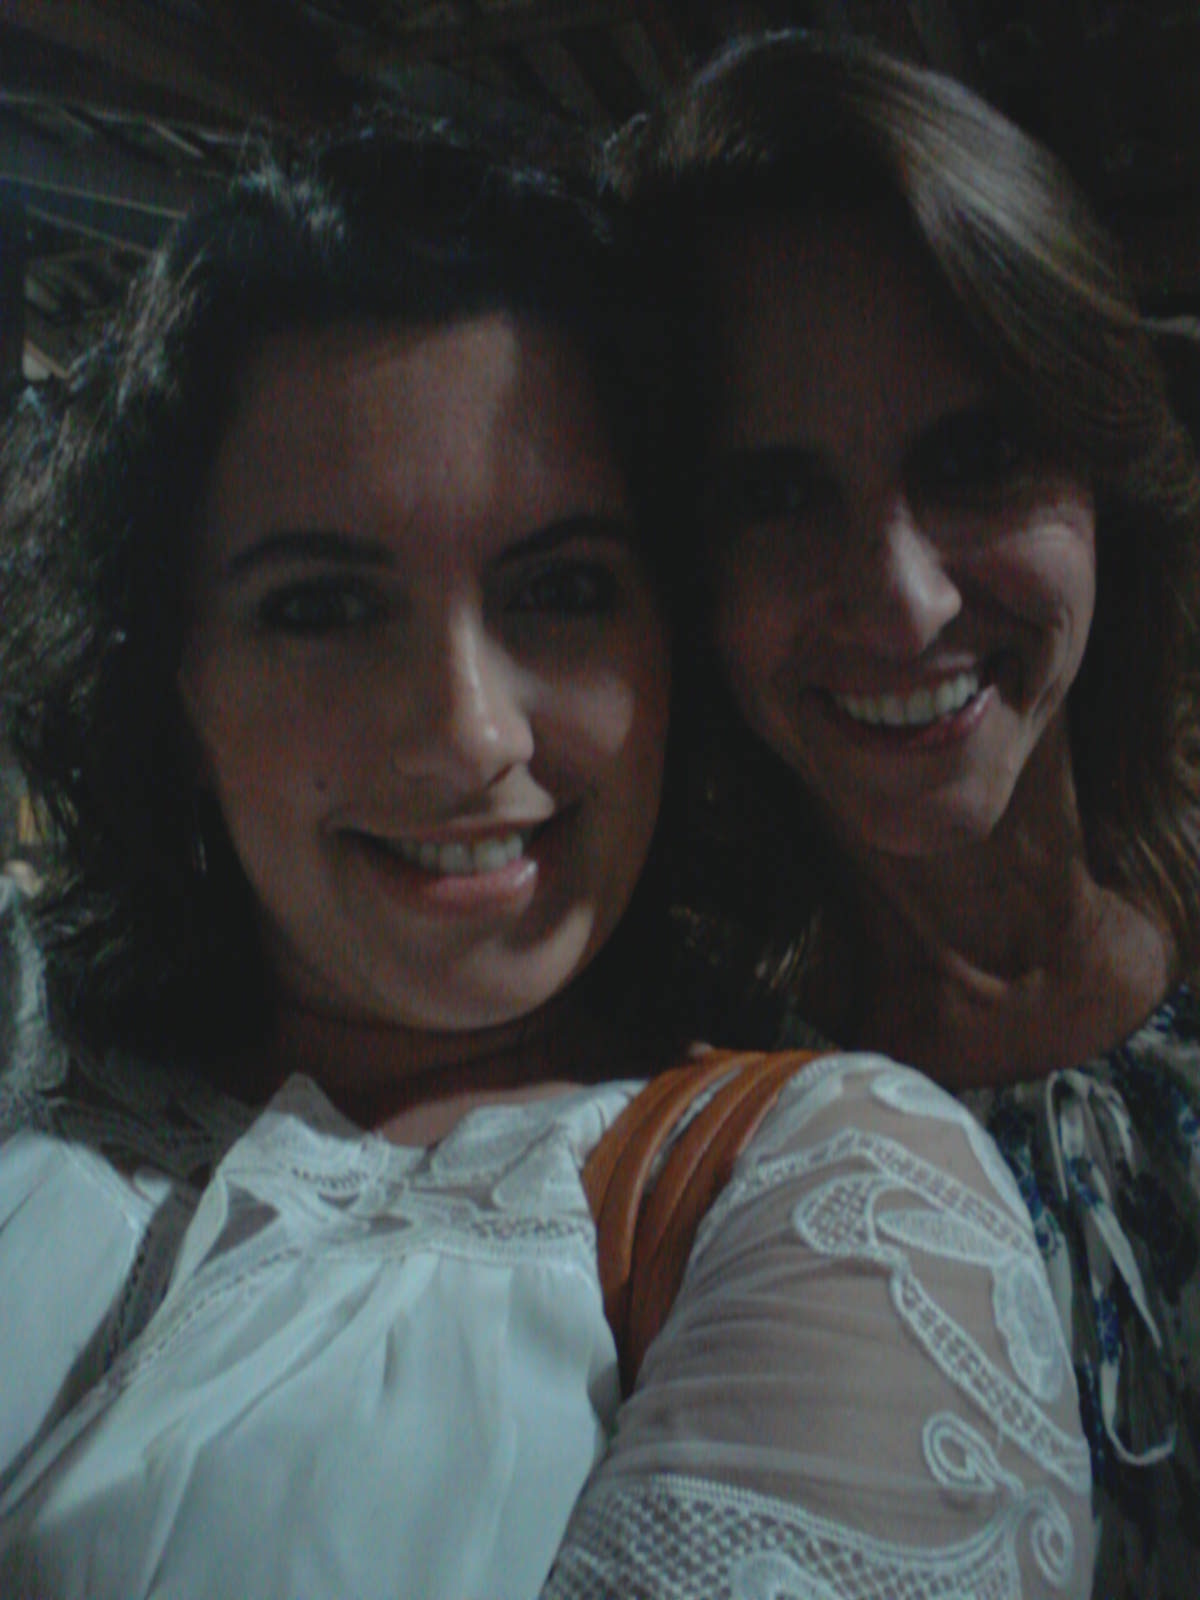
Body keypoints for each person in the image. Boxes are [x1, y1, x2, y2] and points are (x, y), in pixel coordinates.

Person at [0, 119, 1092, 1599]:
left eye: (562, 590)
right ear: (172, 678)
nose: (468, 734)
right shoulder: (34, 1036)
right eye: (323, 609)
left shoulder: (817, 1197)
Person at [614, 29, 1200, 1598]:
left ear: (1104, 478)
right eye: (777, 496)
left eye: (979, 456)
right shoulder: (673, 1142)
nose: (903, 600)